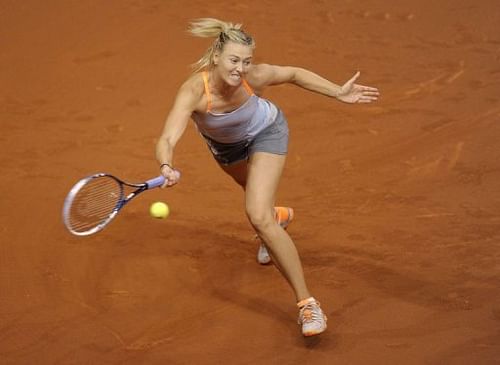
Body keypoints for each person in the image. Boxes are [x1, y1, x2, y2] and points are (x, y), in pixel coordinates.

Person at [155, 18, 379, 337]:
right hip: (226, 151)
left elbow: (293, 74)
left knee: (257, 215)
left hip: (267, 133)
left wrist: (337, 92)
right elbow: (167, 138)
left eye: (246, 61)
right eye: (234, 60)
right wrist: (166, 164)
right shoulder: (194, 91)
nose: (241, 69)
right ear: (217, 57)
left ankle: (308, 304)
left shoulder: (253, 76)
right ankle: (278, 218)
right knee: (261, 206)